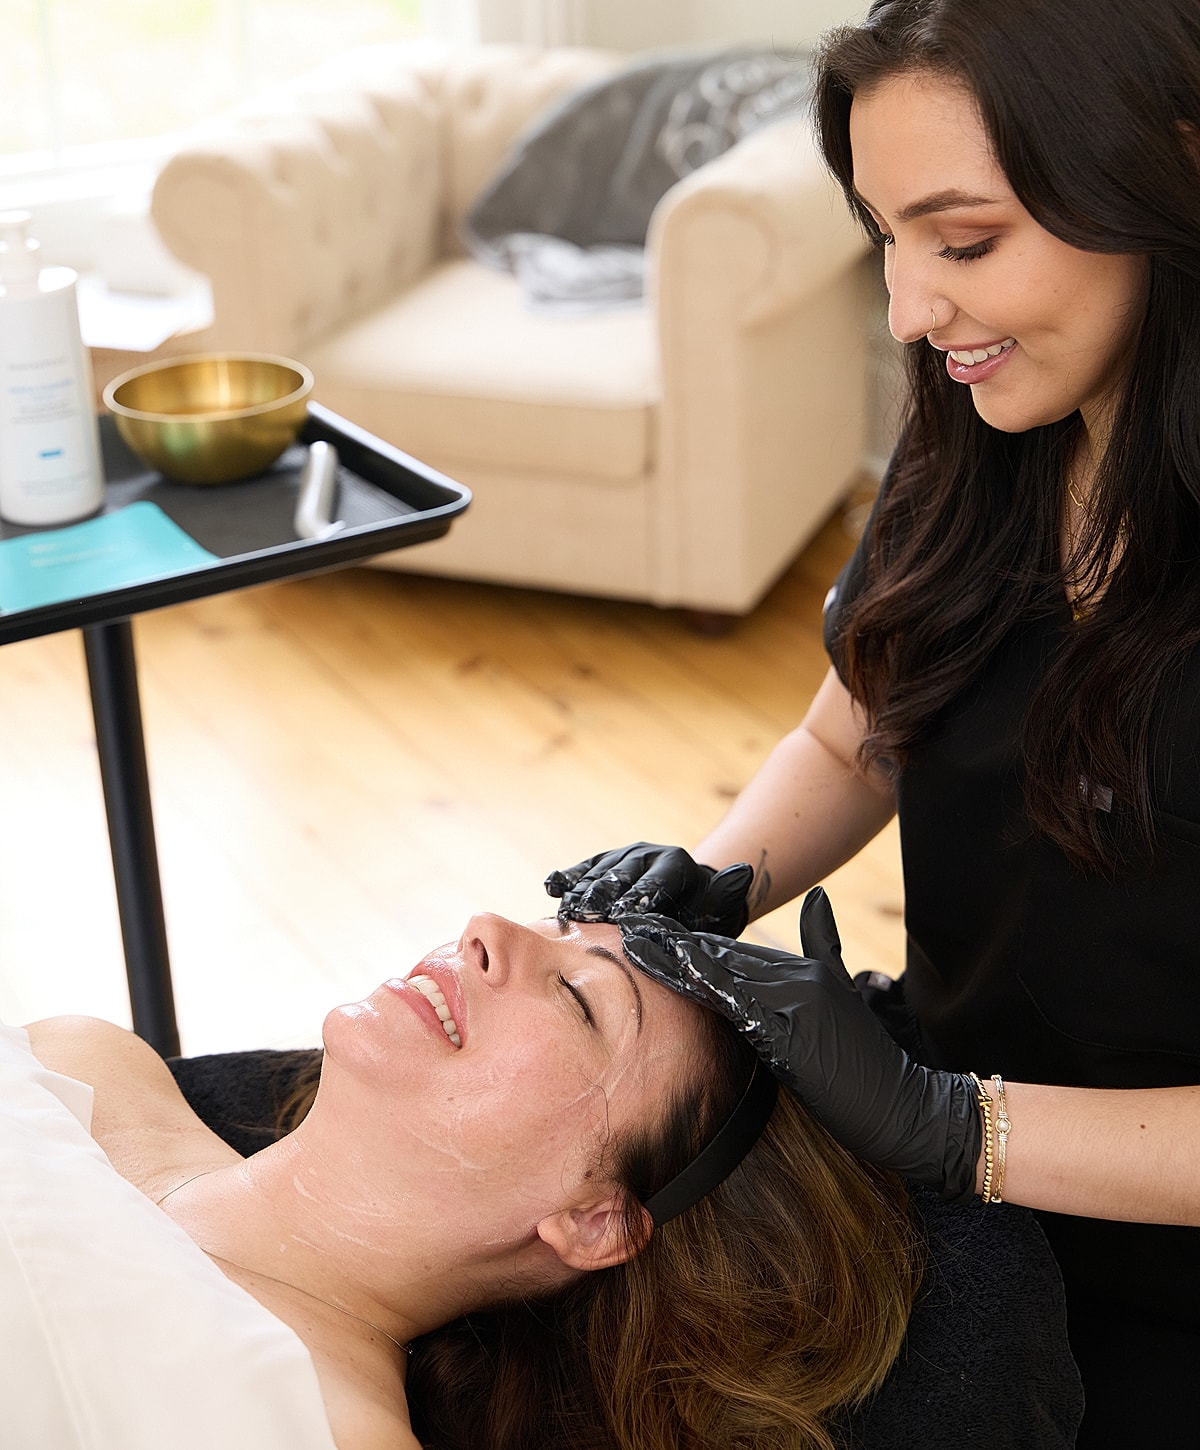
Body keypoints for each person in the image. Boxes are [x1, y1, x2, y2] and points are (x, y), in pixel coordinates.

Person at [546, 1, 1200, 1443]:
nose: (912, 310)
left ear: (1168, 179)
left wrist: (962, 1128)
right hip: (953, 1134)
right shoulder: (990, 432)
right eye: (886, 239)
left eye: (964, 243)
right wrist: (725, 878)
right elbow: (858, 735)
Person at [25, 910, 921, 1450]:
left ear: (594, 1220)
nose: (487, 929)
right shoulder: (89, 1060)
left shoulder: (329, 1430)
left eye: (578, 997)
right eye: (554, 927)